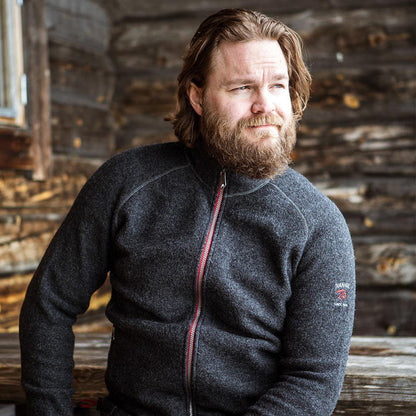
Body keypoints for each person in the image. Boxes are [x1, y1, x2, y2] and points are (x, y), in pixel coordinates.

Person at [19, 8, 355, 416]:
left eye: (278, 85)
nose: (264, 105)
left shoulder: (317, 225)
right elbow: (49, 303)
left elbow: (312, 382)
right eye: (243, 87)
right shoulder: (127, 182)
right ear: (197, 96)